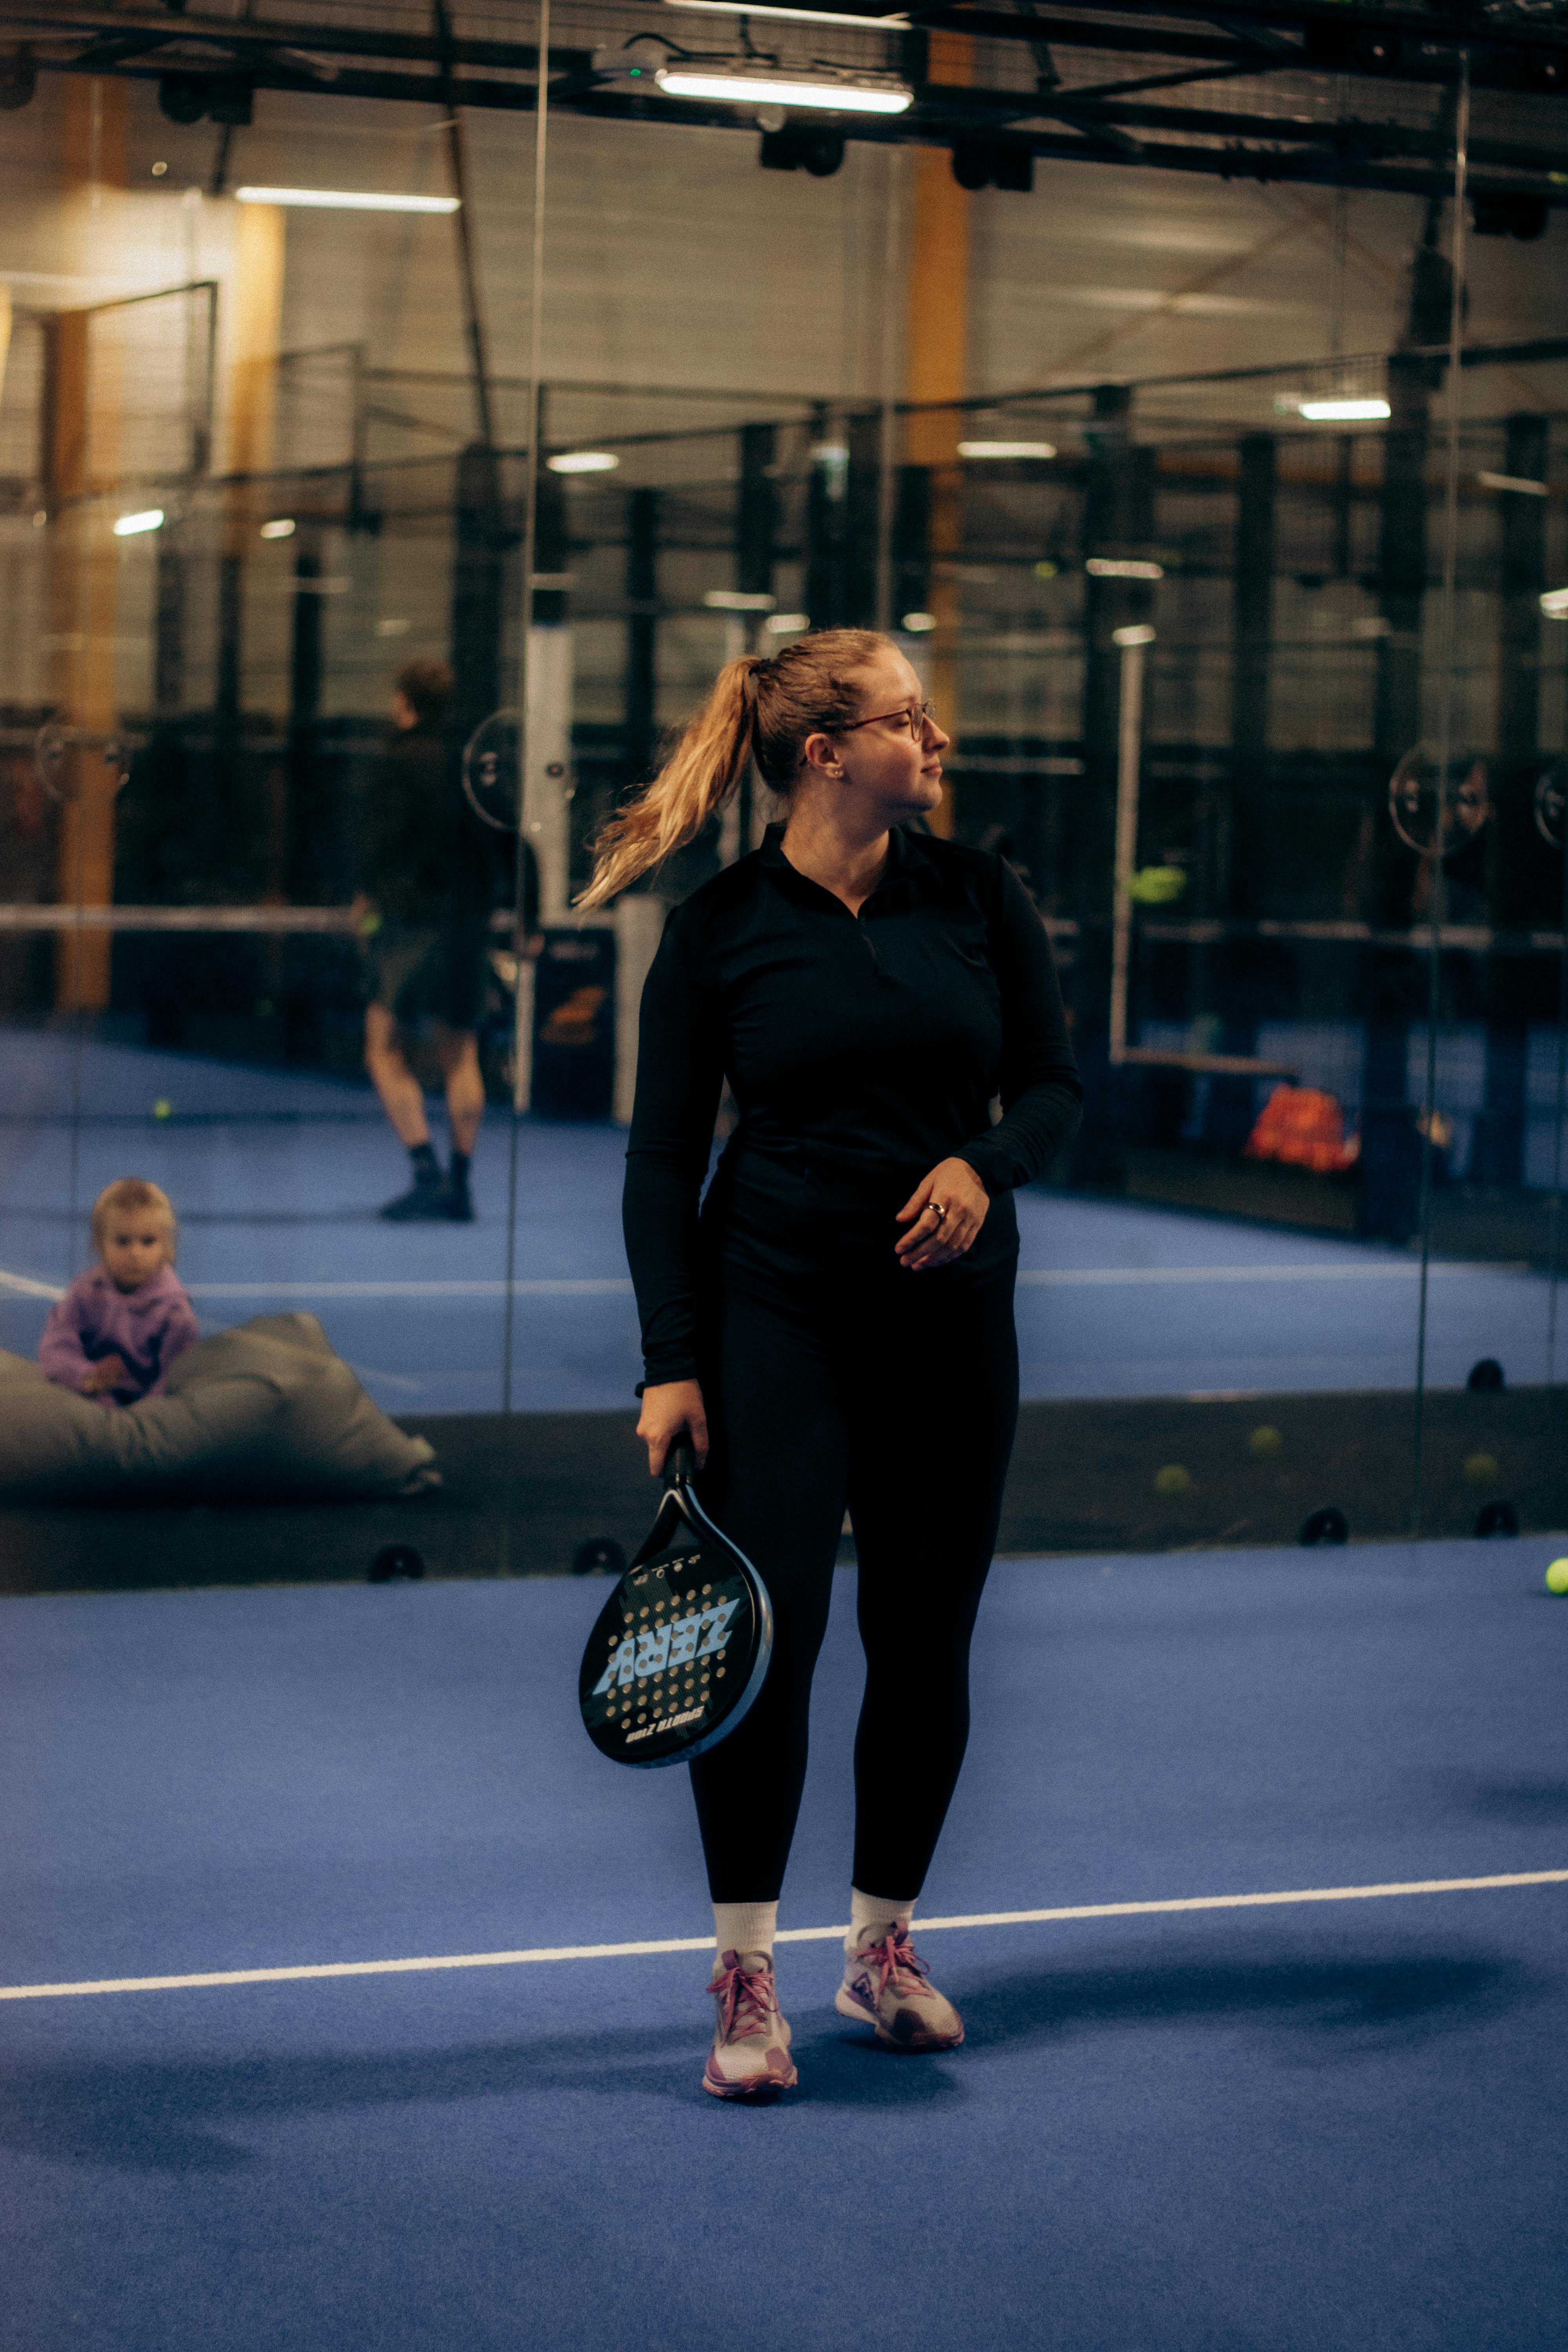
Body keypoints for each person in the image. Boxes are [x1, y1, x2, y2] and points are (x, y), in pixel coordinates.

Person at [580, 628, 1082, 2100]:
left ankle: (880, 1944)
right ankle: (745, 1970)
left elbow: (1052, 1087)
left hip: (950, 1325)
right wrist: (671, 1362)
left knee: (924, 1633)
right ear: (824, 754)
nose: (935, 740)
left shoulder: (977, 895)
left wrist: (982, 1165)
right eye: (907, 719)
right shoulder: (720, 927)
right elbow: (660, 1160)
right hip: (774, 1317)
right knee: (773, 1635)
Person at [357, 658, 487, 1222]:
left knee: (383, 1047)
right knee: (461, 1053)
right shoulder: (470, 764)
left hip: (412, 924)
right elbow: (502, 839)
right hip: (467, 924)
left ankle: (426, 1173)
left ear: (404, 702)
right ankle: (460, 1186)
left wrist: (367, 896)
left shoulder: (396, 762)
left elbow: (381, 841)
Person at [40, 1178, 200, 1406]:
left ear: (166, 1246)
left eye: (148, 1241)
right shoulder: (84, 1293)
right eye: (123, 1241)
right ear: (100, 1244)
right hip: (89, 1399)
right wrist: (87, 1375)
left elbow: (175, 1378)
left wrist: (144, 1416)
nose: (135, 1253)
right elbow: (56, 1347)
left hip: (149, 1414)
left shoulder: (175, 1312)